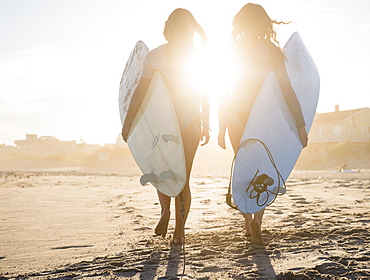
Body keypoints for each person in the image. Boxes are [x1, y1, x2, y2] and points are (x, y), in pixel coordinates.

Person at [217, 3, 308, 245]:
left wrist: (221, 128)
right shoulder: (271, 52)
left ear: (240, 24)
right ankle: (258, 219)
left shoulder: (231, 51)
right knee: (263, 168)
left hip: (237, 113)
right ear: (263, 24)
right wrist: (300, 125)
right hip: (265, 116)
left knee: (244, 168)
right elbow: (287, 90)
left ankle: (247, 224)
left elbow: (223, 93)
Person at [122, 8, 210, 245]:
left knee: (163, 172)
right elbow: (204, 93)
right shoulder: (197, 57)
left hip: (161, 126)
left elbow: (140, 92)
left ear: (168, 28)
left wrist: (128, 122)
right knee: (184, 177)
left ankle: (165, 211)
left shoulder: (156, 56)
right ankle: (179, 232)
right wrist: (207, 124)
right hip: (190, 123)